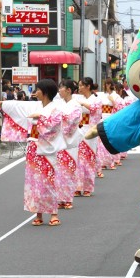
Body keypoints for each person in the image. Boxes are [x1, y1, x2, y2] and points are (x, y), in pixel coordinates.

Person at [0, 79, 66, 226]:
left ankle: (53, 213)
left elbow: (53, 127)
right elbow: (19, 106)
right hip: (33, 146)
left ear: (45, 92)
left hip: (47, 149)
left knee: (48, 181)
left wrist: (40, 118)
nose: (35, 92)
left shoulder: (55, 109)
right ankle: (38, 213)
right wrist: (2, 103)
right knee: (34, 182)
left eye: (38, 90)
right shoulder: (36, 106)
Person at [74, 77, 102, 197]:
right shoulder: (79, 98)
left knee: (89, 158)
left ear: (88, 86)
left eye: (81, 85)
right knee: (78, 159)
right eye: (79, 86)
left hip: (90, 130)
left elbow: (94, 109)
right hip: (79, 130)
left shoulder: (96, 99)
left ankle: (88, 187)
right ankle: (78, 186)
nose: (79, 88)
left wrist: (82, 103)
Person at [56, 80, 83, 209]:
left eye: (61, 88)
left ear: (68, 90)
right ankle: (60, 198)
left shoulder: (76, 105)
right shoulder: (58, 104)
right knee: (58, 171)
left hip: (70, 141)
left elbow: (73, 121)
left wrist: (61, 117)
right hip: (58, 140)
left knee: (69, 170)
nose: (59, 90)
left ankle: (68, 198)